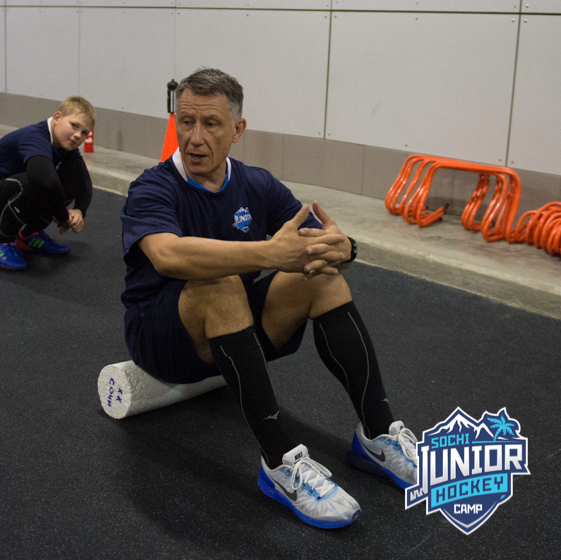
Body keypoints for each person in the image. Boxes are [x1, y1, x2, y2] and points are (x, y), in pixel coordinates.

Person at [120, 68, 418, 529]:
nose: (195, 138)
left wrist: (344, 249)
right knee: (222, 283)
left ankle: (378, 435)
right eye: (186, 122)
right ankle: (280, 464)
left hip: (233, 329)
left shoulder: (257, 184)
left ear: (237, 129)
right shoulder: (152, 186)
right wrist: (268, 253)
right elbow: (167, 255)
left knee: (320, 277)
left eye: (211, 124)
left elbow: (313, 243)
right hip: (161, 338)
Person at [0, 96, 95, 271]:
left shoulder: (66, 145)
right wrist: (63, 217)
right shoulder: (35, 137)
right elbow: (47, 182)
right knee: (36, 180)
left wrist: (80, 210)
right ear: (57, 118)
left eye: (84, 132)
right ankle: (0, 243)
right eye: (74, 125)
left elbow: (83, 182)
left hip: (10, 201)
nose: (78, 135)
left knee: (70, 178)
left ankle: (29, 235)